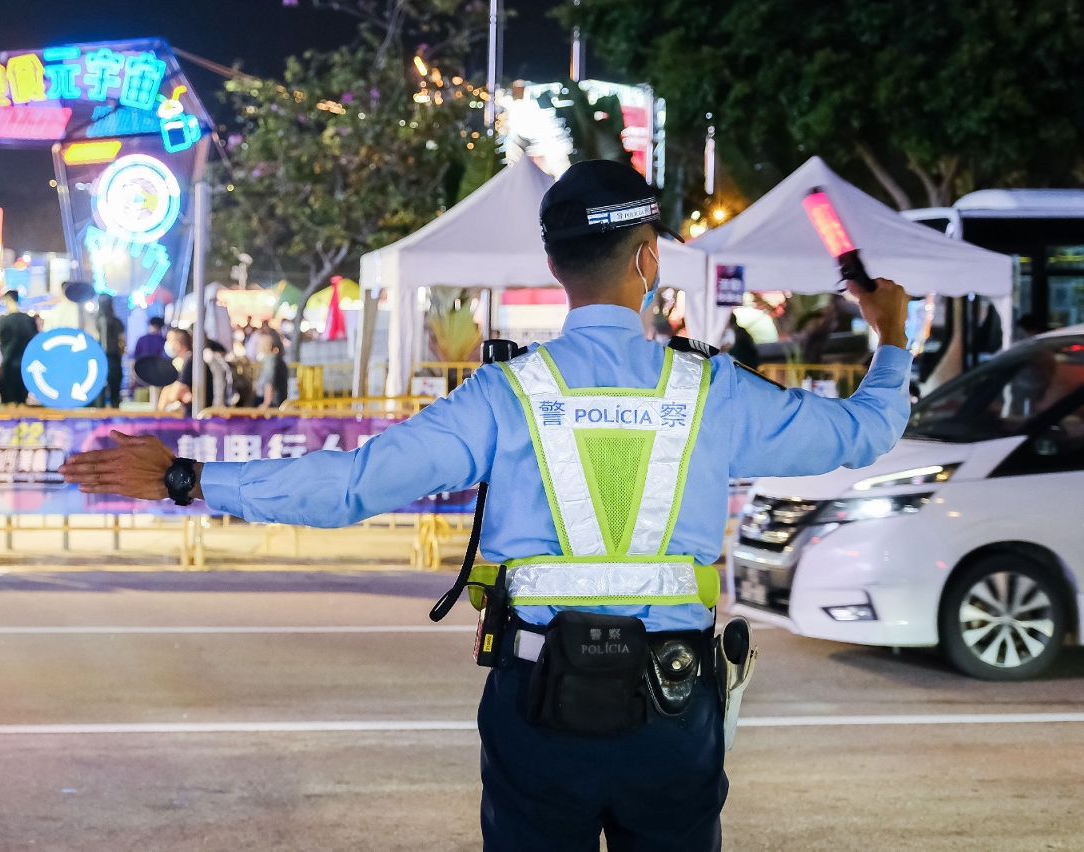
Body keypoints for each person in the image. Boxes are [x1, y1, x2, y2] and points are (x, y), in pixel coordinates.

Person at [61, 160, 913, 851]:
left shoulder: (504, 394)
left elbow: (353, 485)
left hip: (538, 701)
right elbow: (864, 432)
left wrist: (188, 479)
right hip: (673, 705)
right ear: (648, 259)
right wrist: (891, 339)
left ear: (553, 265)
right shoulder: (712, 392)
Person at [0, 290, 38, 406]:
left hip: (8, 365)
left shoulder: (4, 321)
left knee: (8, 401)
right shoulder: (29, 320)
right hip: (25, 365)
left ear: (7, 300)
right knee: (22, 401)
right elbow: (35, 341)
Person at [156, 328, 211, 416]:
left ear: (178, 345)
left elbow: (173, 394)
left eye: (169, 340)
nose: (167, 344)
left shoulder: (191, 363)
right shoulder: (185, 362)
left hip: (193, 417)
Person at [94, 294, 125, 408]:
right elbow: (122, 342)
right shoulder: (117, 321)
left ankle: (100, 410)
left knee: (100, 387)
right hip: (115, 358)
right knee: (115, 388)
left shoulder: (96, 320)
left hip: (100, 357)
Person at [254, 329, 288, 409]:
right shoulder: (276, 360)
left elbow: (269, 381)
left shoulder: (270, 359)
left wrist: (266, 403)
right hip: (276, 401)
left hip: (271, 403)